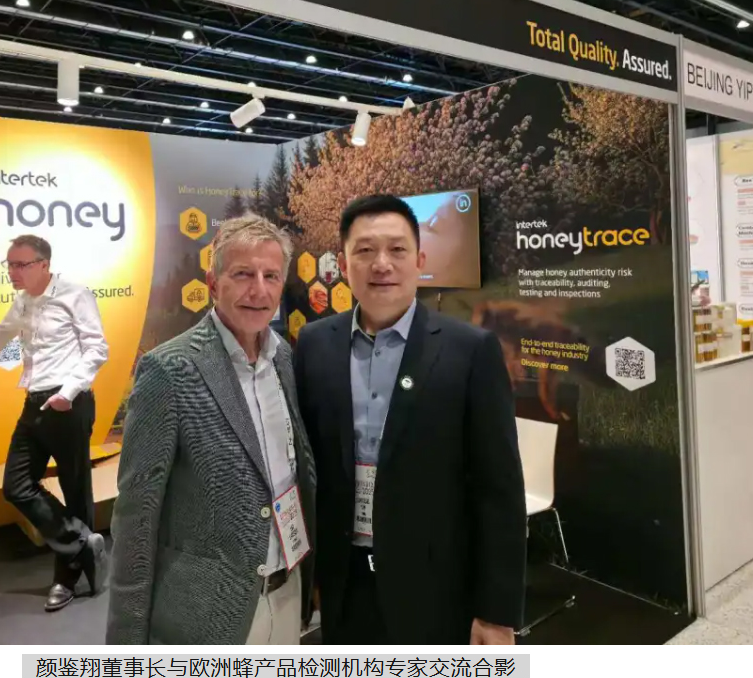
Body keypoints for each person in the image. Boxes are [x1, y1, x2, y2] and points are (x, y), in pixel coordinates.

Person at [293, 194, 526, 645]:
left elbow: (499, 488)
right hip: (344, 586)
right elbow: (310, 468)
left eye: (397, 249)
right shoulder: (315, 344)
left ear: (419, 260)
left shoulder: (470, 350)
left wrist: (497, 614)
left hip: (438, 589)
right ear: (343, 264)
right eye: (365, 250)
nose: (382, 264)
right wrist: (313, 577)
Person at [107, 214, 316, 645]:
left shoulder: (284, 360)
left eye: (271, 276)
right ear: (213, 282)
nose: (259, 290)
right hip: (208, 613)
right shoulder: (170, 370)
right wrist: (126, 642)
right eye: (242, 274)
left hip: (287, 592)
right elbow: (136, 516)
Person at [0, 234, 108, 612]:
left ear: (43, 265)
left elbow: (97, 348)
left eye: (20, 264)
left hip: (69, 403)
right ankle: (83, 544)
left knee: (75, 491)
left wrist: (68, 392)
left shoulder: (75, 294)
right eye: (9, 264)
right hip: (34, 402)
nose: (13, 271)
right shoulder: (22, 301)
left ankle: (66, 580)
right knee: (16, 485)